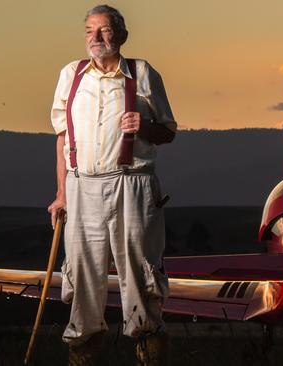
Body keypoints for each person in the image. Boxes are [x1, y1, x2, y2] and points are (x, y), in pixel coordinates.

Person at [47, 5, 176, 365]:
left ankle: (149, 348)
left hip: (132, 183)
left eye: (104, 31)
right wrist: (60, 194)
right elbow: (62, 138)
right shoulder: (71, 75)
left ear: (121, 35)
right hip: (80, 185)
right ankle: (83, 351)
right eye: (90, 31)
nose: (96, 38)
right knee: (81, 270)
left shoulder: (142, 73)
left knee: (139, 271)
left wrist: (144, 126)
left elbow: (168, 131)